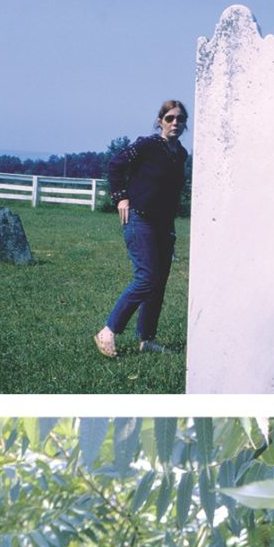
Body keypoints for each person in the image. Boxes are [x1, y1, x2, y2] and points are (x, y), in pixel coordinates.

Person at [95, 100, 188, 358]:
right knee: (146, 278)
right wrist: (121, 197)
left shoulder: (180, 153)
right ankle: (108, 331)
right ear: (159, 121)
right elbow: (115, 164)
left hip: (163, 225)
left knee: (158, 283)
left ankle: (147, 339)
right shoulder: (147, 145)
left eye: (180, 119)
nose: (175, 123)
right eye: (169, 118)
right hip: (140, 219)